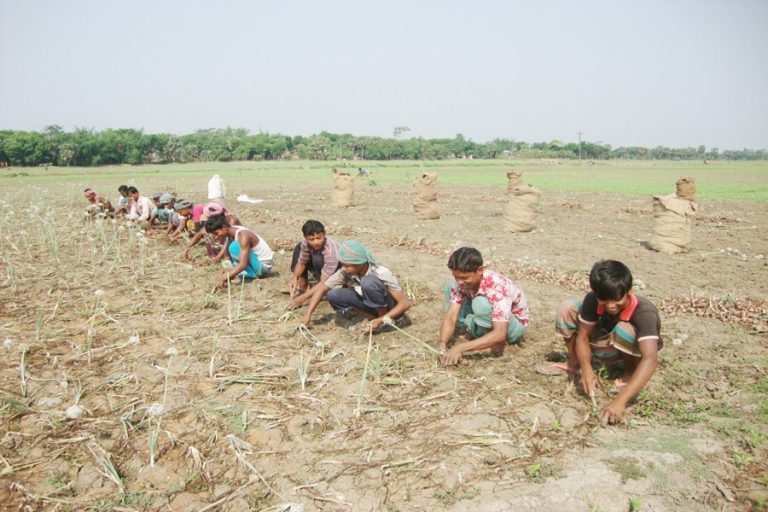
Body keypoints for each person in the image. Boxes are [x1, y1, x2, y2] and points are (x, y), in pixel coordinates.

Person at [551, 259, 662, 426]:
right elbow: (582, 336)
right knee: (568, 307)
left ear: (629, 291)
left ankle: (629, 373)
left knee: (624, 329)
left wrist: (619, 402)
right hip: (603, 342)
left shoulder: (645, 312)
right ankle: (575, 363)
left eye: (616, 300)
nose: (610, 306)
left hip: (626, 348)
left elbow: (650, 359)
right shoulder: (592, 300)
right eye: (604, 300)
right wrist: (587, 370)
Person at [439, 247, 530, 366]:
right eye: (457, 277)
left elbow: (500, 332)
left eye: (465, 277)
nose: (460, 282)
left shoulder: (496, 287)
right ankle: (475, 333)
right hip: (490, 318)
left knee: (480, 303)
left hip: (512, 327)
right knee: (449, 285)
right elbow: (451, 316)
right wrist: (442, 344)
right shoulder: (461, 283)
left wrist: (460, 348)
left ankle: (498, 344)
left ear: (480, 270)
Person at [298, 240, 410, 330]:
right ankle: (371, 317)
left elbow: (405, 304)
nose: (343, 268)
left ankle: (384, 320)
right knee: (333, 295)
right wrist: (308, 314)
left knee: (368, 282)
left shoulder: (381, 272)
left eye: (347, 265)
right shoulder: (345, 271)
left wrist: (381, 320)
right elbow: (322, 288)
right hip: (369, 303)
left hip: (389, 306)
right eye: (342, 265)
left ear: (360, 264)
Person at [204, 215, 273, 285]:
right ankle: (242, 273)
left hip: (263, 269)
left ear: (224, 227)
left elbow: (243, 264)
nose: (216, 237)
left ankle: (252, 274)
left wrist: (225, 277)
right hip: (254, 264)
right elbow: (226, 256)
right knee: (231, 250)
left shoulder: (243, 235)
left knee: (234, 247)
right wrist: (225, 269)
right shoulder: (231, 234)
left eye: (216, 233)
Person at [287, 220, 341, 309]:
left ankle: (318, 294)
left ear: (324, 234)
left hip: (335, 274)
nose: (316, 242)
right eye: (311, 239)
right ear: (305, 237)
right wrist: (295, 278)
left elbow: (324, 282)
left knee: (318, 259)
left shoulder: (331, 250)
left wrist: (301, 299)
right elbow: (301, 263)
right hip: (320, 268)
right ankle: (305, 287)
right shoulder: (305, 242)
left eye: (318, 238)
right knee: (298, 247)